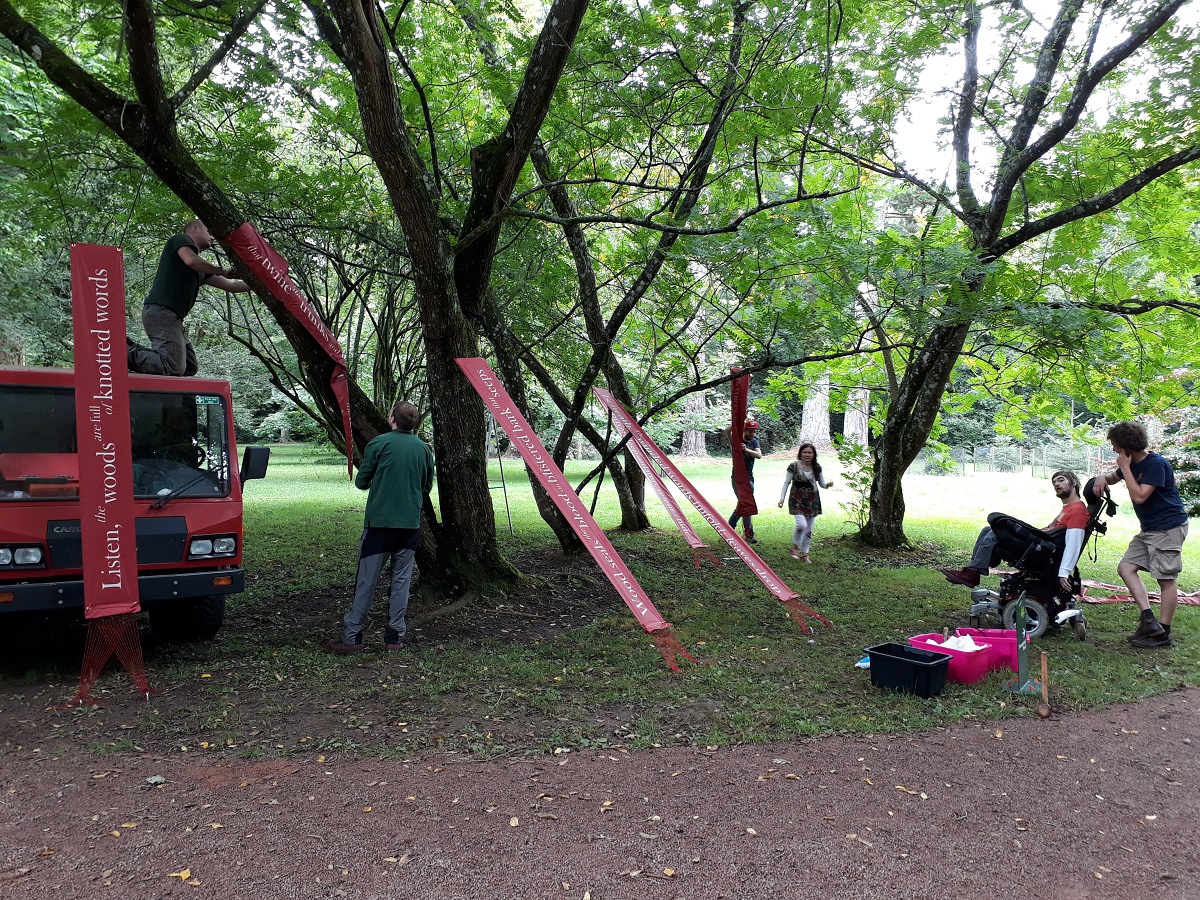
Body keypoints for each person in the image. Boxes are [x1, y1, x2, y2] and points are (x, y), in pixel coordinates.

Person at [326, 400, 435, 654]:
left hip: (379, 525)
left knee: (366, 581)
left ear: (392, 419)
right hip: (409, 525)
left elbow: (361, 481)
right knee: (402, 581)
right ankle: (394, 638)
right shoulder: (423, 449)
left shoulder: (379, 443)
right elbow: (427, 487)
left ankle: (352, 638)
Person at [1093, 421, 1189, 649]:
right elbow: (1113, 477)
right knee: (1126, 567)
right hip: (1149, 530)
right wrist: (1101, 477)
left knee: (1166, 579)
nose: (1114, 450)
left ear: (1128, 446)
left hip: (1167, 528)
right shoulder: (1132, 464)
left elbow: (1139, 497)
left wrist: (1125, 468)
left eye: (1116, 446)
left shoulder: (1155, 464)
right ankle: (1149, 621)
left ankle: (1162, 633)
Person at [127, 220, 250, 377]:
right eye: (209, 232)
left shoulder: (201, 271)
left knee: (189, 367)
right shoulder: (180, 239)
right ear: (195, 228)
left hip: (173, 317)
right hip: (161, 311)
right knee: (174, 367)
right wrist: (221, 270)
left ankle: (128, 348)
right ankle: (122, 353)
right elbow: (190, 260)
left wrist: (263, 282)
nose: (212, 237)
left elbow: (232, 287)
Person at [939, 470, 1089, 589]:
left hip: (1043, 552)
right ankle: (973, 571)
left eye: (1061, 480)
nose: (1056, 484)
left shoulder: (1077, 510)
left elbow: (1074, 542)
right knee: (987, 529)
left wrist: (1064, 572)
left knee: (995, 531)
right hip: (1042, 544)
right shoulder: (1069, 508)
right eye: (1054, 482)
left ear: (1074, 482)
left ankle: (973, 573)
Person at [778, 442, 833, 563]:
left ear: (814, 454)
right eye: (805, 452)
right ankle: (795, 548)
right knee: (801, 525)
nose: (807, 454)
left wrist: (827, 485)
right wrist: (782, 498)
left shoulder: (816, 467)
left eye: (810, 452)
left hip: (812, 500)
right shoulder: (793, 466)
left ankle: (805, 553)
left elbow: (822, 484)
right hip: (797, 499)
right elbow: (786, 482)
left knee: (808, 529)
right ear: (800, 454)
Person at [727, 419, 762, 543]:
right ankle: (748, 534)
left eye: (754, 431)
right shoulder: (737, 441)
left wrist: (746, 449)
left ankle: (730, 528)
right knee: (745, 504)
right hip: (737, 478)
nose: (752, 434)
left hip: (749, 478)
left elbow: (759, 455)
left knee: (744, 504)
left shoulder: (754, 442)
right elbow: (727, 431)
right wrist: (737, 419)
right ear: (744, 430)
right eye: (750, 431)